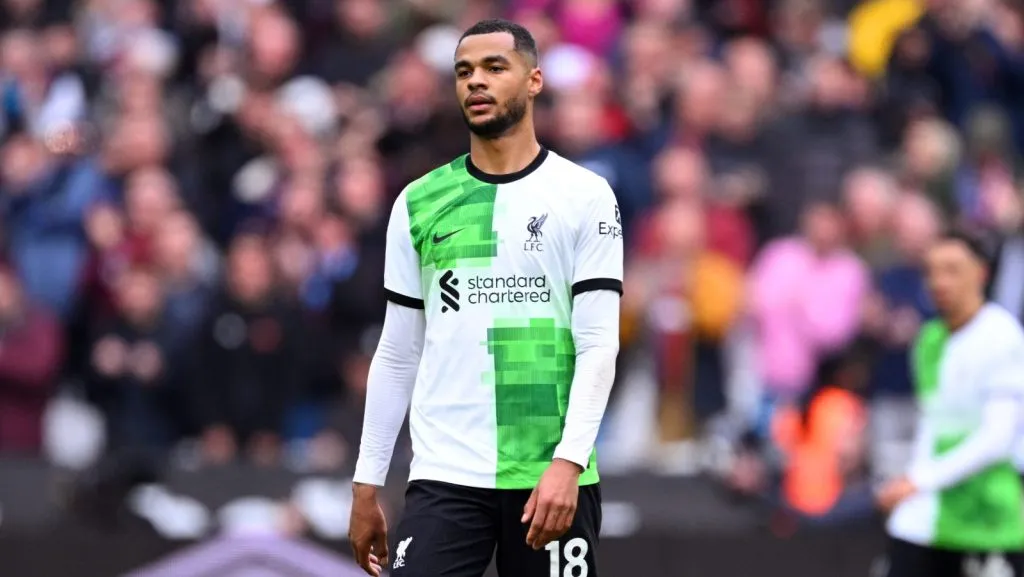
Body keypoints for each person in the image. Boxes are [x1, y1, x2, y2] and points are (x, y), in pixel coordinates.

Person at [348, 19, 623, 577]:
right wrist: (366, 480)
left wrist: (568, 463)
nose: (476, 82)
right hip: (444, 475)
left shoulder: (584, 196)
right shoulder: (419, 203)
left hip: (548, 473)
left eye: (495, 68)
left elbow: (599, 345)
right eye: (464, 72)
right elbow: (398, 352)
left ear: (534, 81)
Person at [876, 230, 1024, 577]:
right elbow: (934, 423)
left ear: (981, 273)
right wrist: (910, 480)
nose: (939, 281)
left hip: (987, 519)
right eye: (932, 271)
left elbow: (997, 439)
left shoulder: (1004, 338)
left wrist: (919, 480)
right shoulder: (929, 341)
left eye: (953, 269)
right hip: (925, 516)